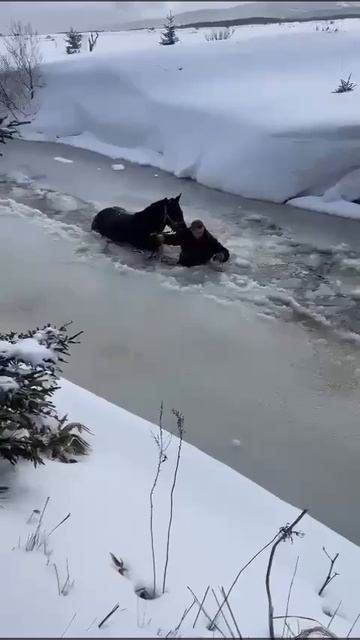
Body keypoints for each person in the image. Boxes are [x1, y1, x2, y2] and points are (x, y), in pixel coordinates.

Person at [156, 219, 230, 267]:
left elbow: (223, 250)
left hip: (202, 265)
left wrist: (222, 255)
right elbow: (172, 239)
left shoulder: (209, 239)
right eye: (197, 233)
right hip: (185, 263)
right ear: (191, 230)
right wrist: (161, 238)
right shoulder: (185, 234)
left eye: (201, 232)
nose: (200, 234)